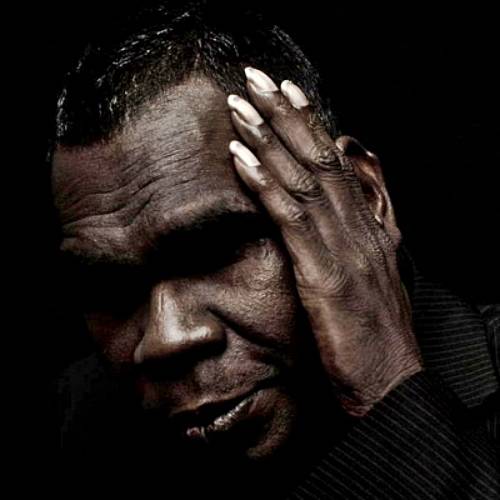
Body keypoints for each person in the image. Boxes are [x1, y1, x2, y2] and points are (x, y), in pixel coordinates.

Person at [49, 2, 499, 498]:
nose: (166, 339)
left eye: (215, 252)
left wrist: (390, 392)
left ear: (364, 198)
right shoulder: (80, 425)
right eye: (111, 288)